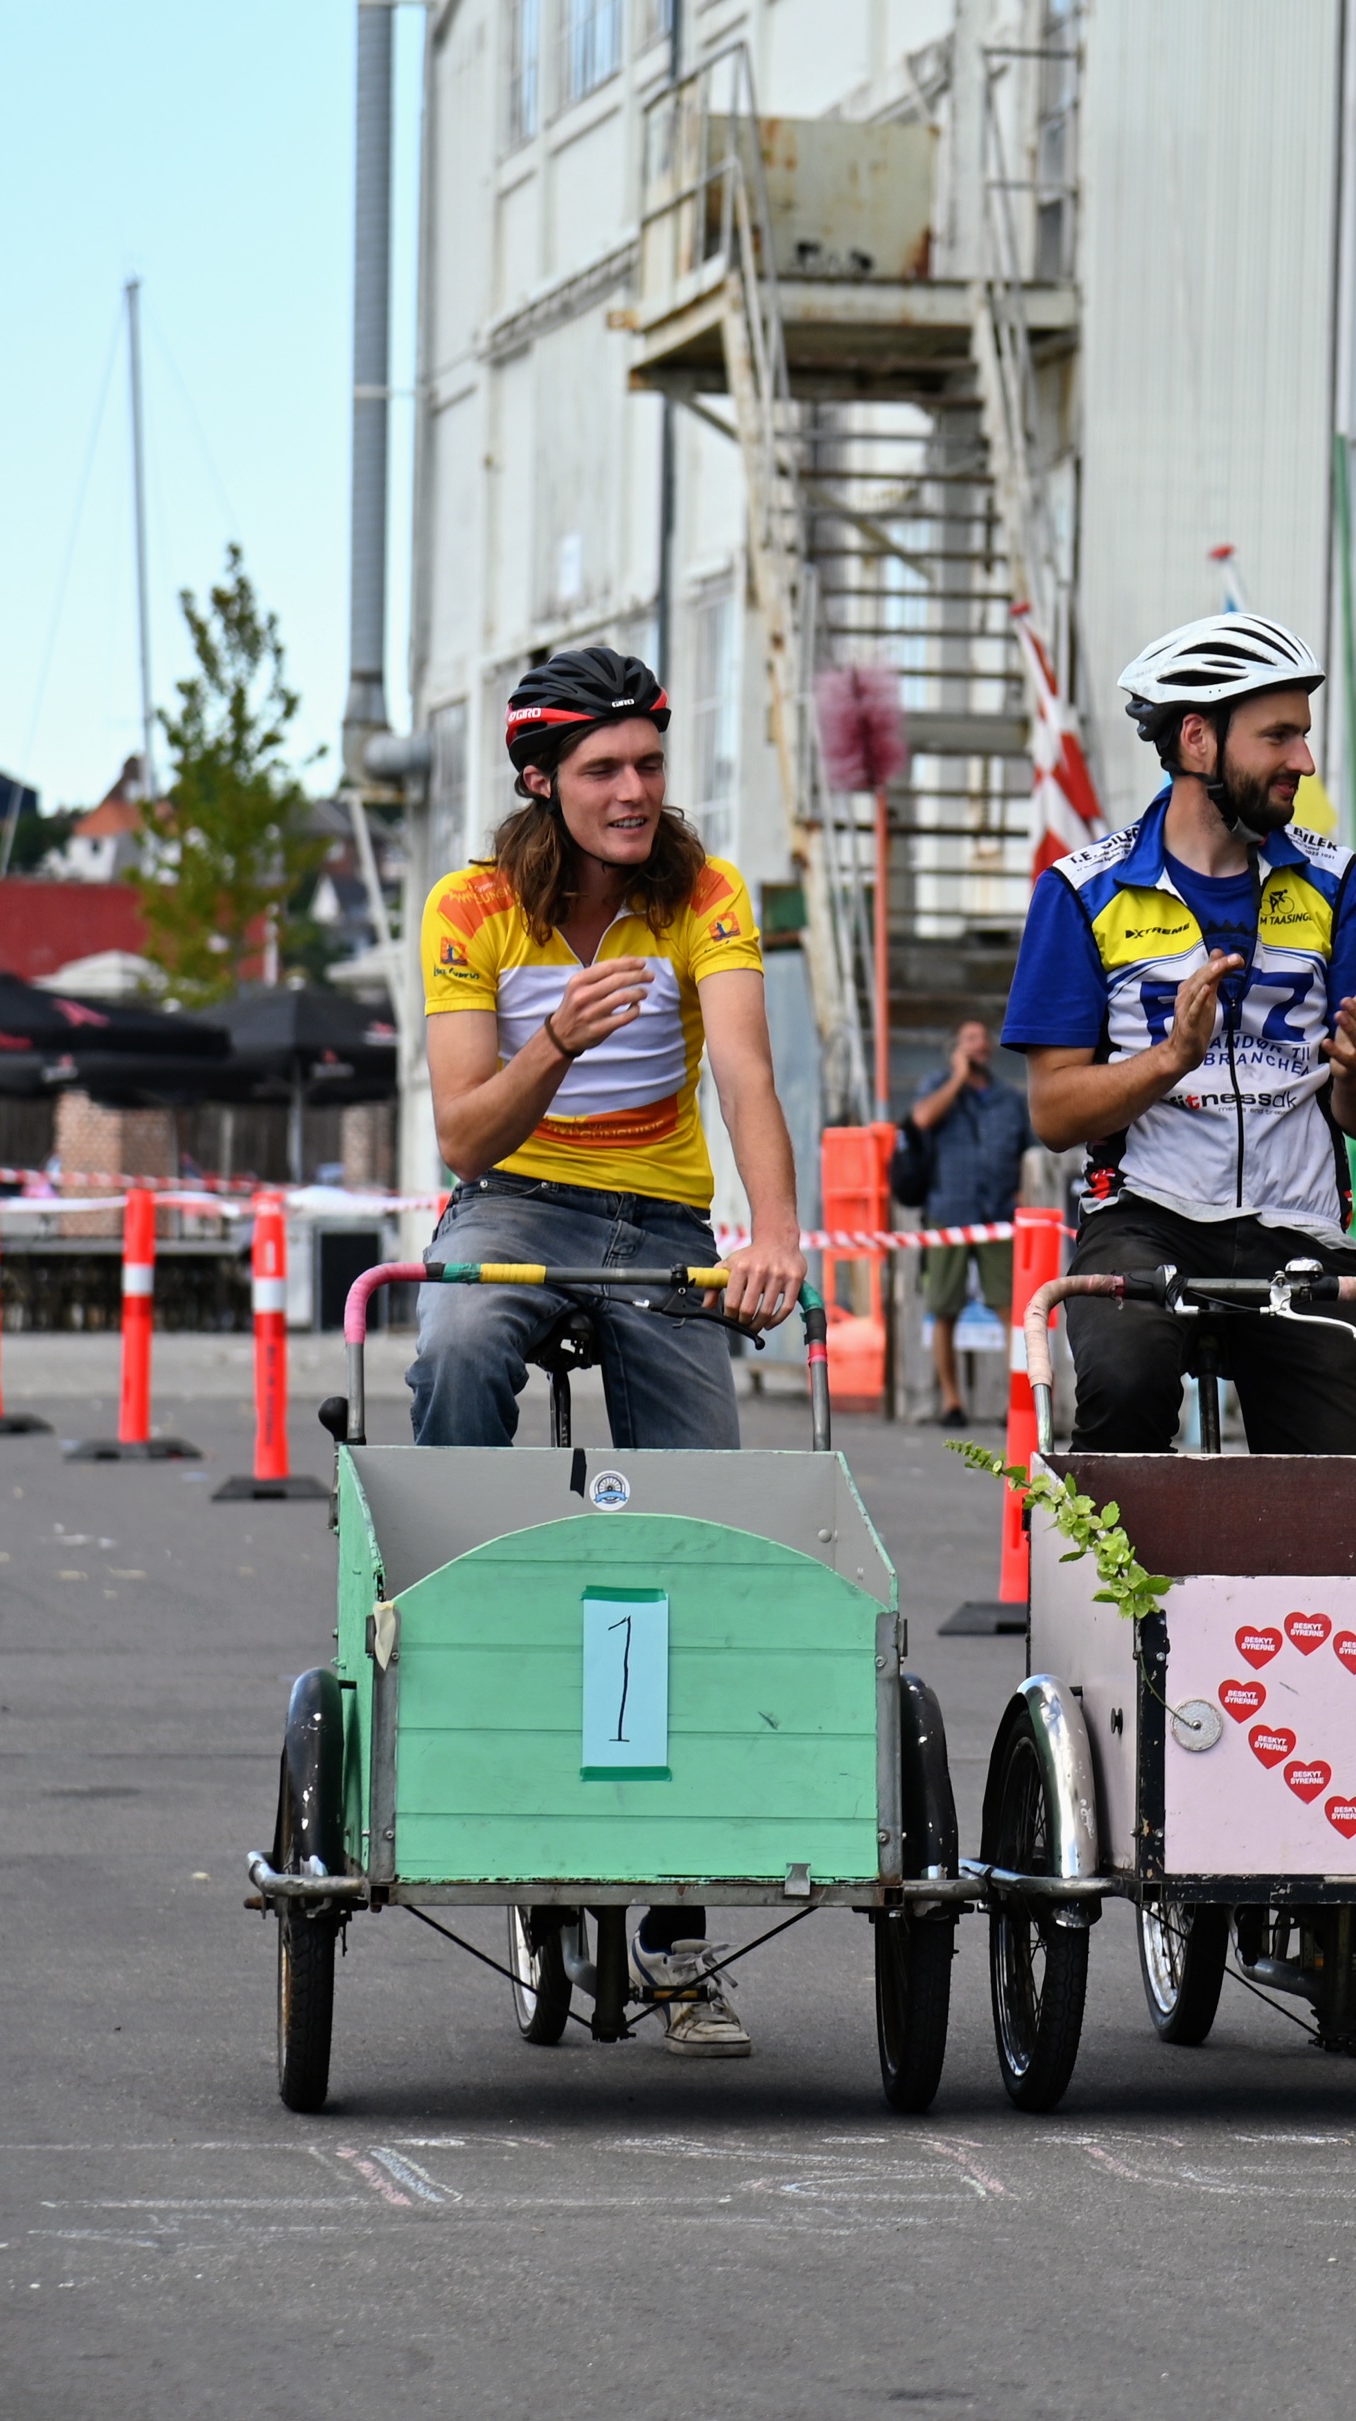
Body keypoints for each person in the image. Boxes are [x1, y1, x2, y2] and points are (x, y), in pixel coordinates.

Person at [997, 609, 1356, 2054]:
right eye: (1278, 735)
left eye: (1301, 732)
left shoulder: (1338, 888)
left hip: (1297, 1228)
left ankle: (1338, 1920)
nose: (1301, 759)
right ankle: (1125, 1685)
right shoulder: (1086, 892)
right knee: (1119, 1383)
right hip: (1145, 1219)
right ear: (1196, 744)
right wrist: (1165, 1058)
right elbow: (1052, 1110)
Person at [413, 643, 807, 2058]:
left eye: (647, 761)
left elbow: (749, 1072)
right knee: (455, 1338)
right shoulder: (469, 908)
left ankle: (678, 1938)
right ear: (542, 781)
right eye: (603, 770)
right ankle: (461, 1604)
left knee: (706, 1525)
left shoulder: (702, 894)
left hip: (657, 1219)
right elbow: (461, 1138)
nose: (635, 789)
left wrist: (772, 1235)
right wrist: (556, 1048)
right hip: (513, 1197)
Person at [899, 1019, 1032, 1426]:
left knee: (1010, 1309)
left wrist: (1022, 1195)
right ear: (955, 1048)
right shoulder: (938, 1087)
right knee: (944, 1307)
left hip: (998, 1216)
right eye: (969, 1039)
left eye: (983, 1039)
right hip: (949, 1212)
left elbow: (1027, 1152)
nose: (979, 1045)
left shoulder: (1009, 1100)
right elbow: (919, 1120)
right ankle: (952, 1402)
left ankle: (1015, 1404)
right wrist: (957, 1077)